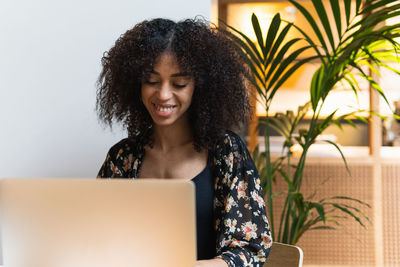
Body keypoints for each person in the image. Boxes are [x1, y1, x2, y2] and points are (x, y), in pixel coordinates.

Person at [96, 17, 272, 267]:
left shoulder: (226, 152)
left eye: (179, 83)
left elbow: (250, 248)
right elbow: (97, 235)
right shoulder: (123, 157)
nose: (163, 94)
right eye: (152, 81)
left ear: (200, 87)